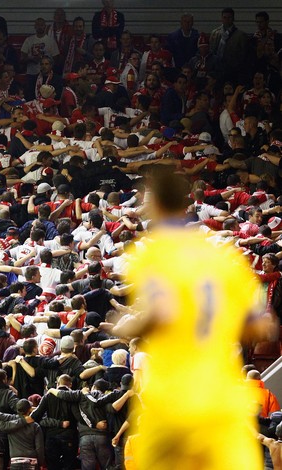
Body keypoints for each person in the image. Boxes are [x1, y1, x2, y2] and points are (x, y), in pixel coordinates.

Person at [116, 170, 273, 470]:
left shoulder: (154, 253)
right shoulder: (222, 257)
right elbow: (259, 326)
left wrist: (129, 325)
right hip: (219, 395)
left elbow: (162, 312)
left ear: (156, 205)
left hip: (172, 398)